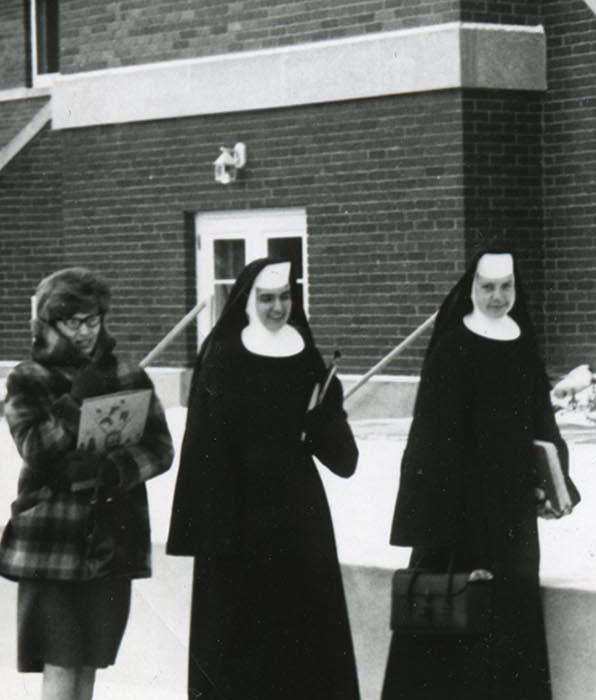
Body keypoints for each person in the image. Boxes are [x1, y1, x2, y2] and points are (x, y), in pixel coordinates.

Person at [382, 250, 579, 700]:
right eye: (488, 287)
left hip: (511, 514)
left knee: (510, 620)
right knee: (452, 625)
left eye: (506, 286)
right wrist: (431, 516)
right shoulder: (454, 344)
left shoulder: (521, 340)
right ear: (472, 288)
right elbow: (429, 436)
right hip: (458, 511)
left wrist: (556, 481)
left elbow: (541, 421)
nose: (497, 296)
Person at [166, 258, 360, 700]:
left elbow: (341, 457)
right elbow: (205, 448)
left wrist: (326, 414)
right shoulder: (224, 355)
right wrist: (214, 530)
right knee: (243, 641)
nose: (278, 307)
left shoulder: (306, 354)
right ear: (247, 301)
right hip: (239, 516)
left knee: (304, 631)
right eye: (267, 298)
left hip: (299, 510)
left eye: (285, 297)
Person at [0, 268, 173, 700]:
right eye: (72, 322)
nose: (84, 332)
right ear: (49, 324)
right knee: (60, 660)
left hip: (112, 533)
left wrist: (117, 469)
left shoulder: (130, 374)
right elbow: (34, 445)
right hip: (52, 541)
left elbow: (161, 447)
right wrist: (76, 402)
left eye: (92, 320)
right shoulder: (28, 378)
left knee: (92, 659)